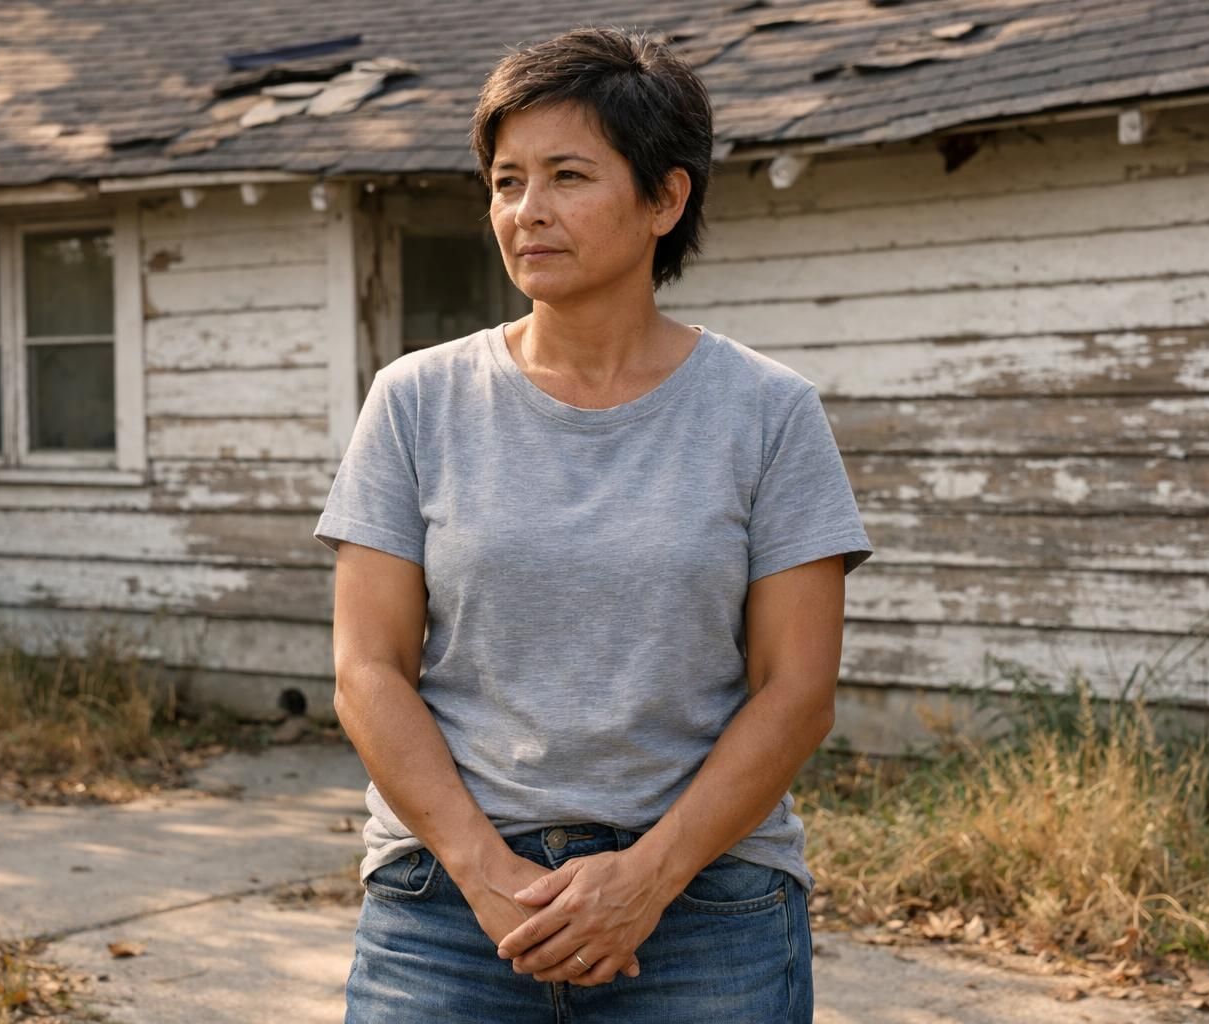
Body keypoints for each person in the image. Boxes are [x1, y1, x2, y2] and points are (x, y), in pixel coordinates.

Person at [314, 24, 873, 1022]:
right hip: (448, 905)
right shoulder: (414, 401)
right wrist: (486, 873)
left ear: (665, 198)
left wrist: (646, 880)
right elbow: (367, 670)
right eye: (506, 181)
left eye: (567, 176)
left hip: (706, 904)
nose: (526, 210)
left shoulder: (767, 412)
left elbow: (796, 691)